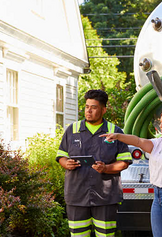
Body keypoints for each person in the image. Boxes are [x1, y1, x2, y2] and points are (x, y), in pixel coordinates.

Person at [100, 108, 162, 237]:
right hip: (158, 195)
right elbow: (137, 141)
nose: (160, 125)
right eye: (160, 122)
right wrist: (117, 136)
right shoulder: (159, 143)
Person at [56, 89, 132, 237]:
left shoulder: (114, 131)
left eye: (94, 107)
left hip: (106, 198)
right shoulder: (72, 130)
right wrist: (66, 163)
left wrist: (106, 168)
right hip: (77, 195)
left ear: (104, 109)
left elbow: (124, 162)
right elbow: (61, 156)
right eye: (86, 107)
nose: (88, 111)